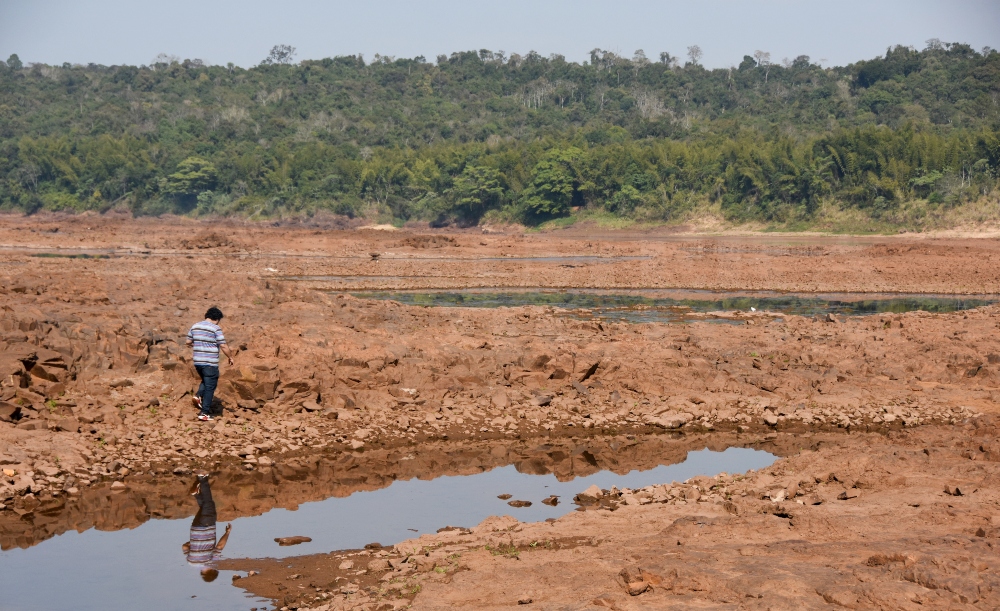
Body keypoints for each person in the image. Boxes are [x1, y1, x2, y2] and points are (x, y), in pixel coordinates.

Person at [186, 306, 234, 422]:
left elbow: (188, 342)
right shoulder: (215, 328)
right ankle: (204, 413)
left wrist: (199, 345)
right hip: (210, 363)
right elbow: (223, 345)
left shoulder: (195, 326)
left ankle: (198, 396)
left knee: (206, 380)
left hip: (198, 362)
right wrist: (230, 357)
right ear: (217, 318)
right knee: (210, 386)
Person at [181, 474, 232, 582]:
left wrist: (227, 533)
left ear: (213, 571)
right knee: (203, 508)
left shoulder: (211, 562)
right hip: (195, 528)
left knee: (209, 503)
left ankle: (202, 478)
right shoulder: (191, 562)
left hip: (207, 525)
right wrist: (195, 542)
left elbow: (220, 546)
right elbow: (184, 547)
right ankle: (196, 494)